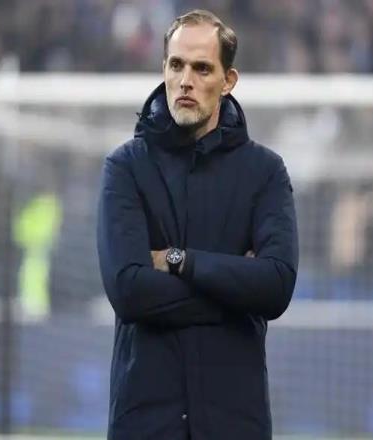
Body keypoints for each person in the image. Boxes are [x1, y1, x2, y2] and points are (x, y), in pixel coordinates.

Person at [97, 9, 298, 440]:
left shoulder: (265, 172)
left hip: (234, 425)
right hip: (145, 425)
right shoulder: (125, 167)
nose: (186, 80)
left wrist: (178, 261)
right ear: (164, 69)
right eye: (177, 65)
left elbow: (277, 285)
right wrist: (235, 291)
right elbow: (129, 290)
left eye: (202, 68)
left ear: (228, 81)